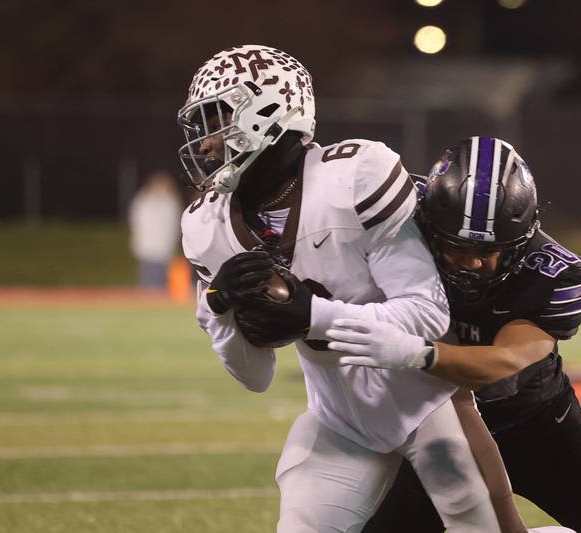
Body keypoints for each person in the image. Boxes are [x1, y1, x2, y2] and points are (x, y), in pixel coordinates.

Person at [177, 45, 502, 532]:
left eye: (217, 121)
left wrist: (315, 317)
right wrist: (218, 308)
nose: (205, 145)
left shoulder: (354, 175)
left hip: (428, 404)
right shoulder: (209, 225)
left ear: (268, 109)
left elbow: (427, 315)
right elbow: (254, 377)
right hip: (339, 418)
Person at [326, 137, 581, 533]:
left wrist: (414, 352)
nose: (471, 262)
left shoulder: (554, 274)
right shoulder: (401, 208)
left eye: (489, 252)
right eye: (456, 248)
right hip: (441, 430)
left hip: (539, 427)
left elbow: (502, 363)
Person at [128, 170, 183, 289]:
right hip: (148, 252)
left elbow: (175, 226)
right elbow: (137, 223)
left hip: (165, 253)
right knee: (149, 287)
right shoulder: (144, 201)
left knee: (164, 288)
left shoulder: (171, 202)